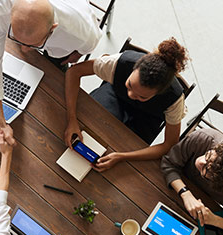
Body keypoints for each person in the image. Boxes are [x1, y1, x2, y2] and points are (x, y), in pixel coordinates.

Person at [0, 0, 101, 147]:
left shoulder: (80, 33)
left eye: (32, 45)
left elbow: (86, 48)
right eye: (16, 38)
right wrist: (0, 122)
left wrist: (75, 55)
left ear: (53, 29)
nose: (23, 50)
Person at [65, 38, 189, 171]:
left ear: (159, 93)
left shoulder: (174, 100)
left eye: (142, 96)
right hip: (115, 96)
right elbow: (74, 72)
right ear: (134, 68)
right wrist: (71, 119)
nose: (131, 95)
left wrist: (122, 157)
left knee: (122, 155)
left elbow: (169, 144)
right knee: (89, 126)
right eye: (130, 85)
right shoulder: (119, 63)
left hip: (147, 118)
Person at [161, 128, 223, 227]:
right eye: (208, 156)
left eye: (207, 169)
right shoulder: (203, 138)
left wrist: (216, 220)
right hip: (169, 187)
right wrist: (185, 193)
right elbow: (169, 163)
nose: (201, 161)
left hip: (205, 213)